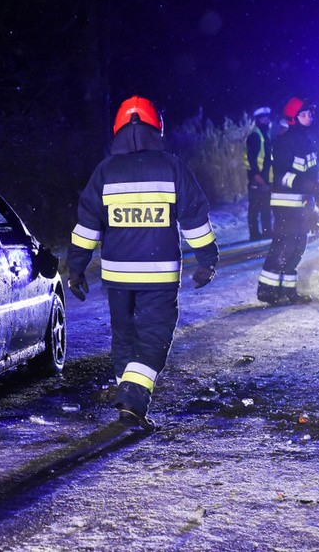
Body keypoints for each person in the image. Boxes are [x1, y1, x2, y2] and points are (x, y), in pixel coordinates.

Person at [65, 95, 219, 430]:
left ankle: (128, 401)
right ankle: (133, 402)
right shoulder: (172, 166)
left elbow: (87, 224)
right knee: (153, 339)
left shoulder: (104, 171)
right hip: (159, 277)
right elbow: (194, 218)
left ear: (117, 130)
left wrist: (75, 268)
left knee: (124, 337)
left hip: (117, 278)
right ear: (156, 128)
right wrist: (206, 259)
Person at [257, 97, 319, 305]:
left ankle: (288, 291)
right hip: (286, 204)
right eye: (304, 115)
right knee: (283, 245)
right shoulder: (283, 142)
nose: (309, 118)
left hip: (303, 205)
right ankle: (267, 290)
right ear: (292, 119)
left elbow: (315, 178)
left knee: (298, 247)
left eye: (310, 114)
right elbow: (280, 176)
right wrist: (303, 184)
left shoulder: (308, 142)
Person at [245, 106, 274, 240]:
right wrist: (257, 176)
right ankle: (255, 234)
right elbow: (251, 157)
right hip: (257, 177)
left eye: (267, 117)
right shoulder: (255, 136)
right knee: (255, 207)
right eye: (263, 118)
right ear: (258, 120)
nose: (266, 120)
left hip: (265, 176)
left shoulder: (265, 134)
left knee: (265, 206)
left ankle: (267, 231)